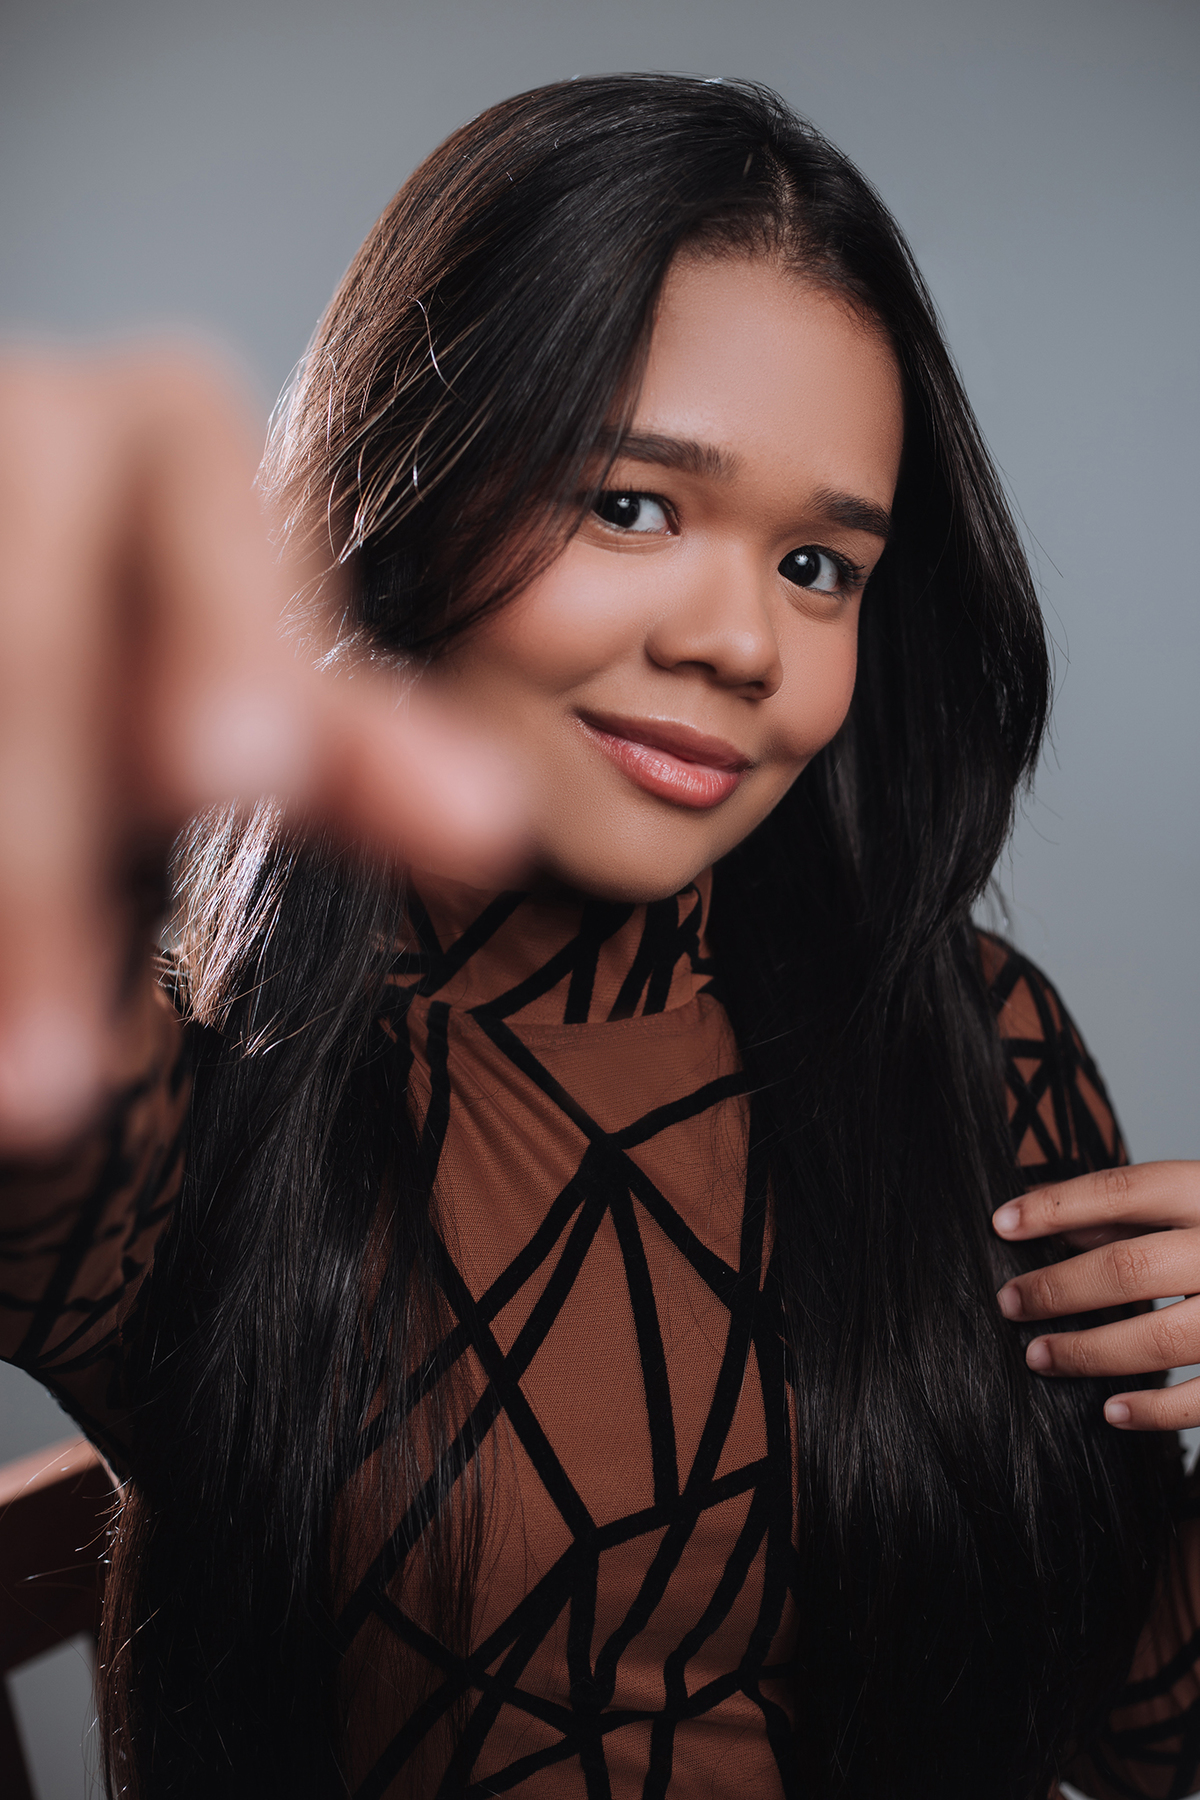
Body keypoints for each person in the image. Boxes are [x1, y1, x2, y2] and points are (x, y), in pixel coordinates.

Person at [1, 73, 1198, 1800]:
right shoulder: (195, 1113)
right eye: (633, 505)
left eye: (820, 566)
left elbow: (1150, 1728)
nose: (741, 643)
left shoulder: (976, 1040)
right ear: (409, 488)